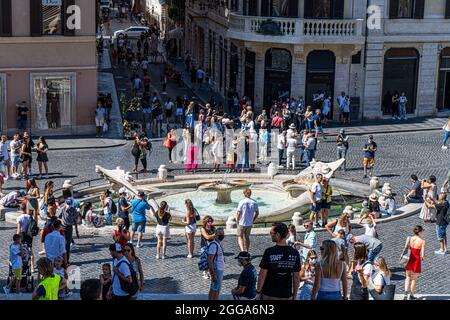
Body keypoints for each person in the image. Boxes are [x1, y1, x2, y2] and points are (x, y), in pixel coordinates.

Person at [256, 223, 301, 300]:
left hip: (269, 294)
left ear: (278, 234)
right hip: (286, 294)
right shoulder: (295, 253)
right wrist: (295, 295)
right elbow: (296, 277)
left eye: (271, 233)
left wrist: (258, 292)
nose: (270, 235)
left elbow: (262, 274)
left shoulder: (269, 252)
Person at [403, 225, 426, 300]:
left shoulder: (409, 238)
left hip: (409, 259)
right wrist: (423, 257)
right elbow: (422, 255)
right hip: (416, 260)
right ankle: (411, 295)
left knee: (407, 277)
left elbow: (405, 249)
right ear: (419, 232)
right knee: (414, 279)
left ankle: (405, 293)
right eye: (422, 231)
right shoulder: (422, 241)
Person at [235, 188, 259, 252]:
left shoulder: (242, 202)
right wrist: (253, 220)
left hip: (241, 223)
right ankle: (247, 251)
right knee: (247, 237)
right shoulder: (254, 202)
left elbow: (238, 212)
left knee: (240, 236)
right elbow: (257, 213)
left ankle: (242, 251)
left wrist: (237, 220)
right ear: (250, 193)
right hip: (249, 223)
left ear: (244, 194)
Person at [56, 199, 79, 264]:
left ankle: (66, 260)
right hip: (62, 228)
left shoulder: (74, 210)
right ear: (65, 203)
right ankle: (60, 259)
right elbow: (57, 217)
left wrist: (77, 231)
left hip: (69, 227)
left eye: (69, 204)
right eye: (67, 204)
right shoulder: (62, 209)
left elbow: (75, 220)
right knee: (62, 243)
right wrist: (61, 221)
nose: (68, 206)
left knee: (67, 245)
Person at [208, 228, 225, 300]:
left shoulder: (218, 244)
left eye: (222, 234)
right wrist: (213, 274)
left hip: (219, 269)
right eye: (220, 234)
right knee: (216, 291)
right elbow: (210, 260)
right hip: (217, 270)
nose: (222, 235)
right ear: (215, 234)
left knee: (213, 288)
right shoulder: (214, 245)